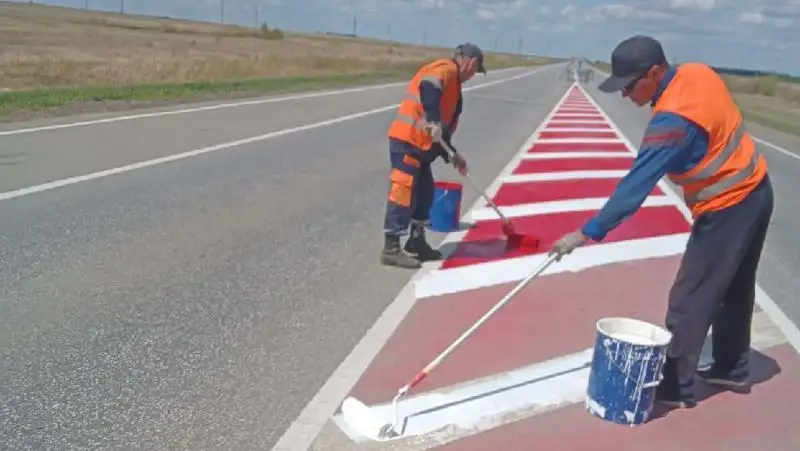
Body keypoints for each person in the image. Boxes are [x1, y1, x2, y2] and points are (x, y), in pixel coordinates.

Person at [551, 35, 773, 408]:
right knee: (734, 289)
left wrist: (586, 232)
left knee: (690, 297)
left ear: (654, 73)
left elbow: (634, 189)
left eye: (629, 85)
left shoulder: (672, 122)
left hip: (728, 207)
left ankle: (674, 389)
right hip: (757, 191)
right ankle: (731, 368)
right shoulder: (697, 73)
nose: (625, 94)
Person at [380, 43, 486, 269]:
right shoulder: (445, 69)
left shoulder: (456, 92)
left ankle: (416, 241)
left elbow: (441, 136)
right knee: (403, 191)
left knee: (426, 193)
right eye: (476, 70)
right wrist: (434, 121)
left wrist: (454, 156)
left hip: (422, 147)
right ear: (471, 62)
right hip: (407, 141)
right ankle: (391, 248)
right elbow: (428, 87)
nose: (473, 75)